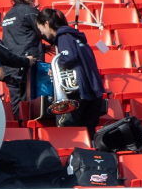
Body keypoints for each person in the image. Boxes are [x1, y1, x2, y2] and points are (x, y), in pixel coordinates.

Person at [38, 8, 106, 137]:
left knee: (68, 133)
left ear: (47, 23)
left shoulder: (63, 37)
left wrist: (55, 67)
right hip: (93, 92)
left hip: (78, 94)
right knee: (88, 134)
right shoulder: (75, 36)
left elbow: (68, 58)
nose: (41, 32)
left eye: (40, 27)